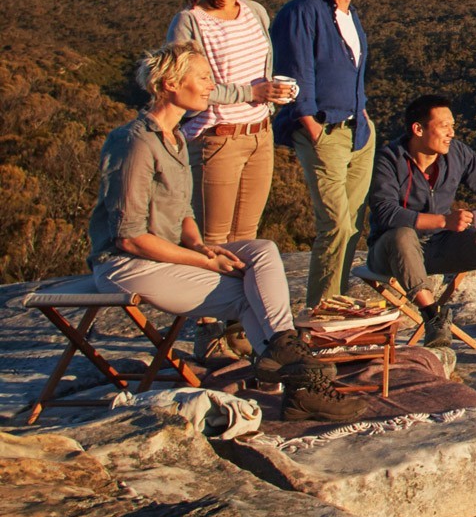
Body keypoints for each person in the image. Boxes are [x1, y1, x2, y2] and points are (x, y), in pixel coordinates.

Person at [90, 42, 364, 422]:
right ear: (170, 84)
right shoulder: (134, 142)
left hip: (166, 252)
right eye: (203, 78)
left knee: (263, 250)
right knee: (248, 294)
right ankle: (303, 387)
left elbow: (184, 211)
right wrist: (204, 261)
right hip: (127, 265)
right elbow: (129, 237)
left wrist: (200, 245)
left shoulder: (175, 138)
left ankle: (284, 352)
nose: (211, 86)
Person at [367, 93, 476, 364]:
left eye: (453, 126)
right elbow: (385, 212)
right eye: (444, 126)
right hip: (390, 253)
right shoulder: (389, 159)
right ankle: (433, 317)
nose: (451, 132)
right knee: (402, 235)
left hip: (439, 245)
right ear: (418, 129)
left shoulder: (456, 154)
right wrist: (444, 221)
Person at [167, 0, 295, 245]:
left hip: (260, 136)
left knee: (246, 239)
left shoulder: (255, 12)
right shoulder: (191, 22)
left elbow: (258, 72)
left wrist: (273, 93)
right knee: (213, 241)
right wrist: (251, 94)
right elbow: (187, 88)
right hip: (217, 139)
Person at [272, 0, 375, 308]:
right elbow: (295, 70)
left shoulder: (351, 15)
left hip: (358, 130)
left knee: (352, 227)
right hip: (324, 129)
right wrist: (310, 125)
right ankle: (321, 314)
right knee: (335, 224)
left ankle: (337, 303)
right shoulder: (303, 10)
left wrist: (362, 112)